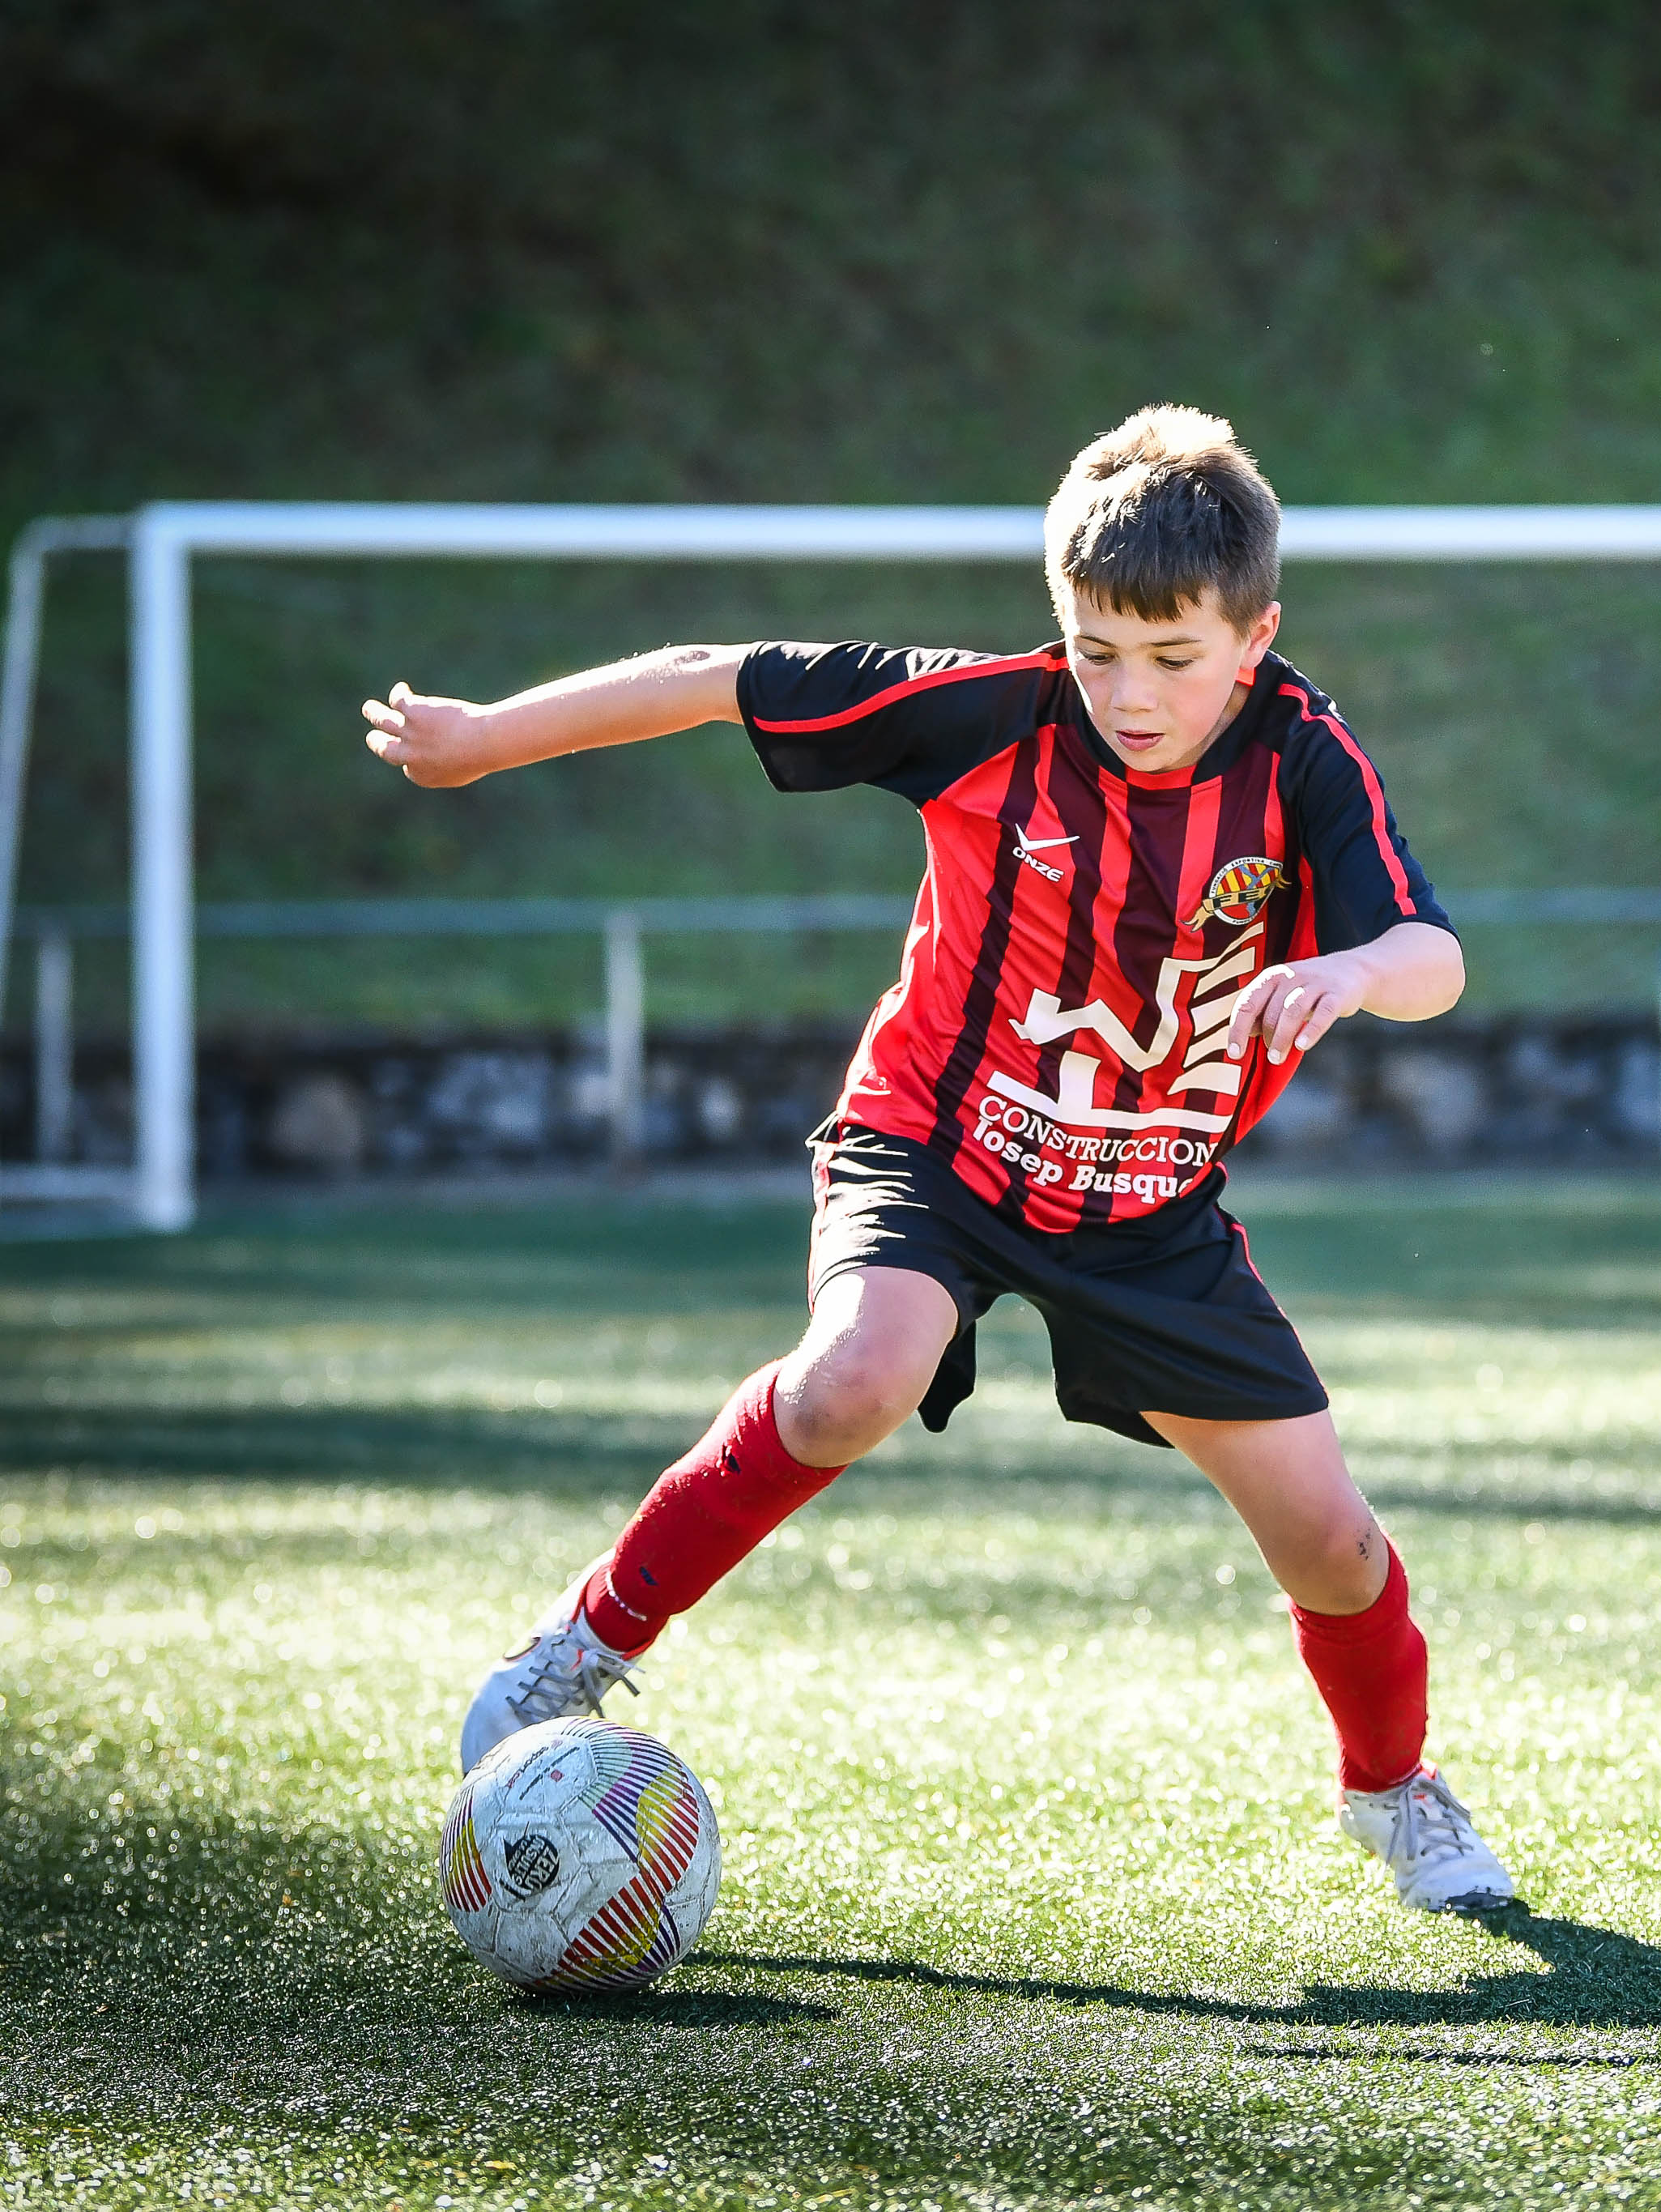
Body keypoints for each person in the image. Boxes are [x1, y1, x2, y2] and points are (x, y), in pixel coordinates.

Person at [365, 406, 1520, 1916]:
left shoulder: (1305, 759)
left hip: (1148, 1206)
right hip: (936, 1146)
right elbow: (718, 675)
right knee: (854, 1376)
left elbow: (1433, 952)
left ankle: (1392, 1788)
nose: (1131, 693)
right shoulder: (987, 714)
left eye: (1174, 658)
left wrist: (1352, 971)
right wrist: (482, 740)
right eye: (1097, 650)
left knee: (1333, 1544)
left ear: (1257, 636)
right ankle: (584, 1643)